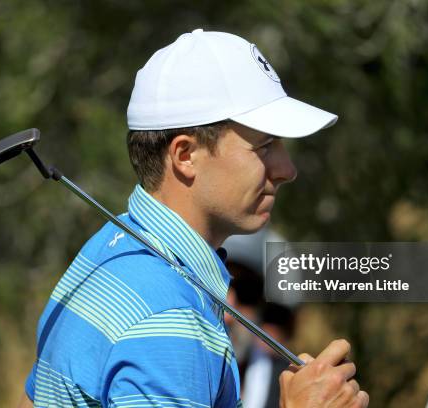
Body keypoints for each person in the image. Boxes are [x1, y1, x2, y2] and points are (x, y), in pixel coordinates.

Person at [18, 29, 368, 407]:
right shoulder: (170, 319)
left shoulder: (109, 246)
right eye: (265, 146)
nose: (287, 169)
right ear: (185, 155)